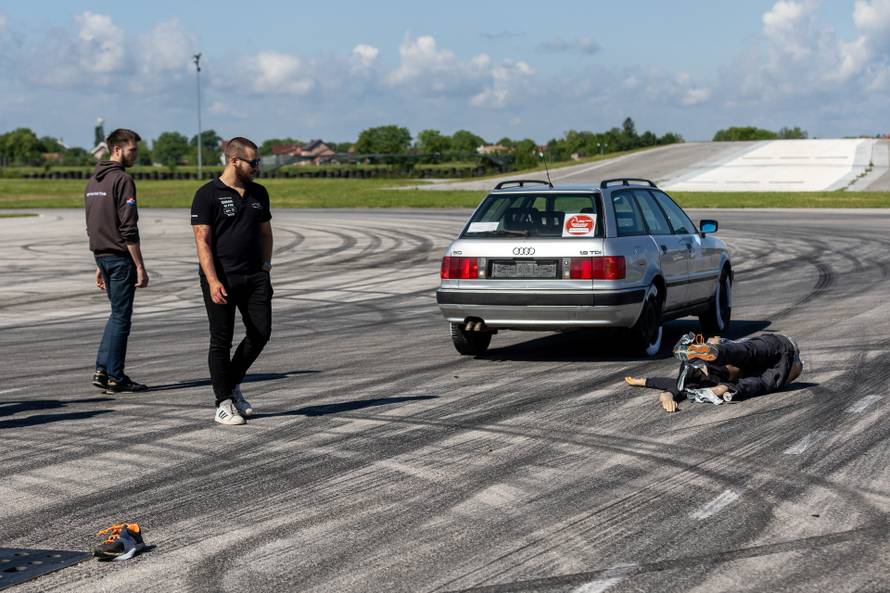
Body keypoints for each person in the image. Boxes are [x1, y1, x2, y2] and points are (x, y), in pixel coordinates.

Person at [191, 137, 273, 425]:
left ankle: (233, 384)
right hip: (221, 278)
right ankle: (223, 402)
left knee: (260, 333)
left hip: (255, 277)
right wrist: (213, 280)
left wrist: (266, 266)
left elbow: (265, 232)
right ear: (234, 160)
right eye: (254, 162)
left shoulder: (259, 193)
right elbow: (202, 241)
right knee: (221, 340)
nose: (257, 167)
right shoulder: (207, 194)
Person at [84, 128, 149, 393]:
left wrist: (99, 263)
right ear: (117, 149)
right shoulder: (122, 180)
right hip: (120, 258)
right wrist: (140, 265)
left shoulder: (93, 181)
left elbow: (92, 225)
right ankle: (115, 377)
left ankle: (102, 369)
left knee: (116, 315)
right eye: (132, 150)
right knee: (122, 318)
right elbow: (127, 227)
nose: (135, 155)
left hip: (102, 254)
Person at [625, 333, 804, 413]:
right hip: (773, 348)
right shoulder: (693, 380)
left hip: (765, 358)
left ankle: (722, 379)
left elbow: (670, 388)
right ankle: (721, 379)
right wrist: (646, 383)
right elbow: (670, 388)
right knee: (749, 354)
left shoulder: (792, 366)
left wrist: (646, 383)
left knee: (759, 376)